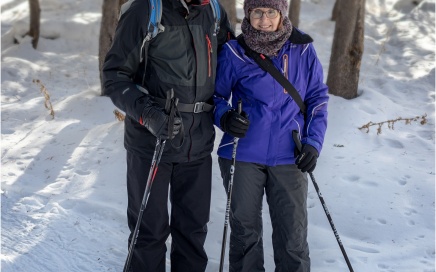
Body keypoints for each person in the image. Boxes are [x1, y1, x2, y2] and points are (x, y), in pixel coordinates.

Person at [102, 0, 234, 270]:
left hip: (197, 142)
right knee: (148, 232)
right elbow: (115, 76)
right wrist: (148, 114)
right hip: (152, 142)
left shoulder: (214, 12)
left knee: (193, 231)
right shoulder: (146, 10)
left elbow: (231, 65)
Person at [213, 0, 329, 270]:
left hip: (291, 155)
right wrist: (226, 117)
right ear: (248, 14)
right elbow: (216, 97)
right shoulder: (234, 51)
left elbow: (317, 99)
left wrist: (313, 143)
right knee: (245, 233)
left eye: (271, 12)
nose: (264, 20)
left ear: (282, 14)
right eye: (257, 12)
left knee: (293, 235)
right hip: (242, 154)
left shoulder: (303, 49)